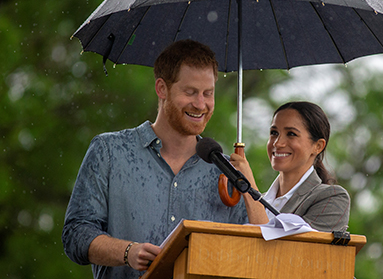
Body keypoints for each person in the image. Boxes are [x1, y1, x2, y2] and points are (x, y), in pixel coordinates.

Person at [62, 39, 247, 279]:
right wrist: (127, 251)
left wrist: (247, 181)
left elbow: (249, 252)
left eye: (207, 93)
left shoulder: (227, 171)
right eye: (190, 92)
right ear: (162, 88)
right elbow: (75, 234)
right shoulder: (109, 151)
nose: (201, 104)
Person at [230, 101, 350, 232]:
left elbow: (279, 249)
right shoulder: (255, 201)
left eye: (291, 134)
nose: (278, 143)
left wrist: (249, 189)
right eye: (274, 133)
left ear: (318, 146)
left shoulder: (331, 198)